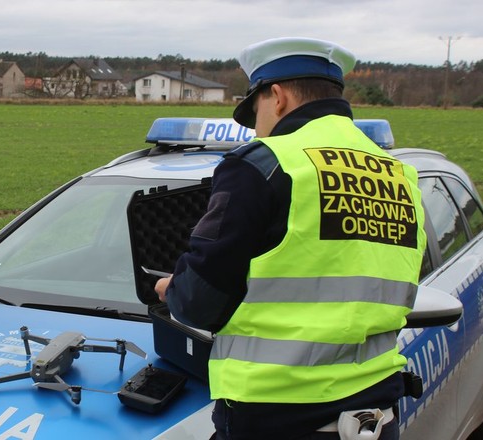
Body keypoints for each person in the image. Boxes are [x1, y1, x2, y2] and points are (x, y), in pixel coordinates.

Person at [155, 37, 426, 440]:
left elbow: (199, 302)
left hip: (277, 417)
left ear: (277, 97)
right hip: (375, 417)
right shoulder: (400, 176)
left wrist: (172, 288)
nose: (256, 129)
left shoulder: (265, 163)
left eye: (255, 113)